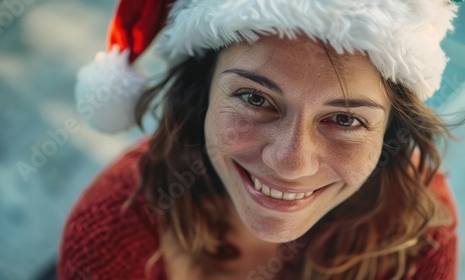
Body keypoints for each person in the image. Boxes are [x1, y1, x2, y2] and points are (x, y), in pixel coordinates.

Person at [58, 0, 461, 279]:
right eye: (255, 99)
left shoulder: (421, 234)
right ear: (200, 97)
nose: (290, 162)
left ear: (389, 134)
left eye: (344, 119)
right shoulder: (107, 237)